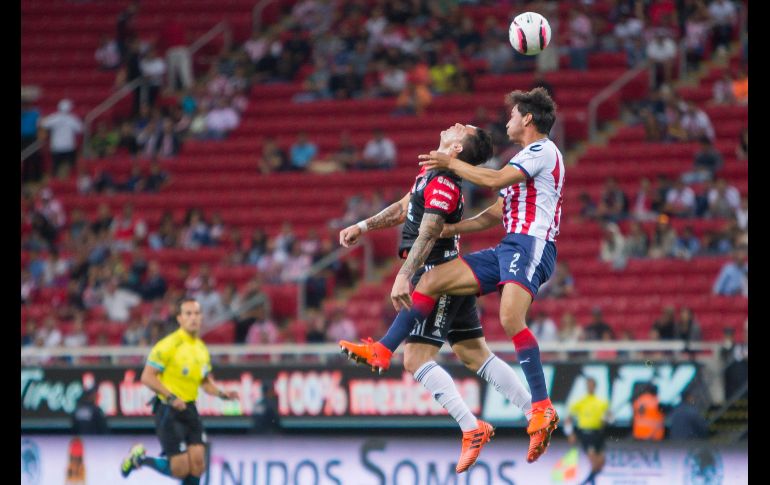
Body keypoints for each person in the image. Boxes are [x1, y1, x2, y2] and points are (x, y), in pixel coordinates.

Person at [340, 87, 563, 463]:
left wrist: (450, 165)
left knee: (506, 318)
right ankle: (384, 350)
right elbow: (494, 211)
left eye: (512, 114)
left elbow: (489, 184)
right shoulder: (520, 159)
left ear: (527, 118)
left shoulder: (543, 151)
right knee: (469, 347)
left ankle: (540, 406)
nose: (506, 119)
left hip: (531, 244)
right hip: (508, 245)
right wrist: (450, 229)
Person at [120, 297, 238, 484]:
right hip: (168, 409)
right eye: (188, 314)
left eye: (197, 314)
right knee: (181, 469)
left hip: (189, 408)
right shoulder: (168, 345)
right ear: (180, 319)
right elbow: (147, 377)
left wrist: (222, 394)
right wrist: (170, 396)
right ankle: (138, 459)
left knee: (198, 465)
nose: (193, 318)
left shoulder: (201, 349)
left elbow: (204, 382)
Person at [563, 377, 611, 485]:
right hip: (586, 434)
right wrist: (569, 433)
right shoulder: (580, 402)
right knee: (594, 462)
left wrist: (606, 419)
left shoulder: (601, 403)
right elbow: (568, 418)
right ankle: (586, 482)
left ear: (595, 387)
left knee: (601, 463)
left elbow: (609, 417)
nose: (589, 387)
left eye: (591, 385)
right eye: (588, 385)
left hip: (598, 433)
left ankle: (588, 481)